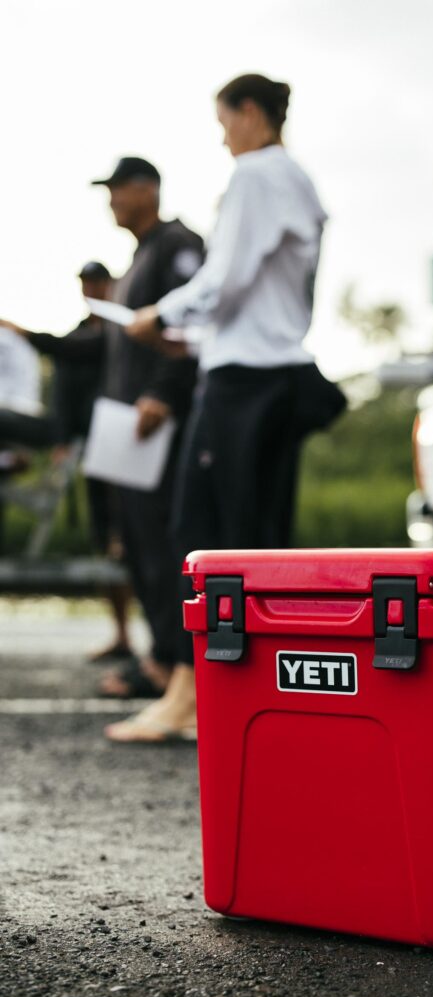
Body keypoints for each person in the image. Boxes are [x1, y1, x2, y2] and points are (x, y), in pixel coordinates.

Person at [105, 73, 333, 742]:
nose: (222, 135)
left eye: (224, 120)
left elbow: (224, 275)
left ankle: (193, 695)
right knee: (252, 541)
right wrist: (195, 333)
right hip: (272, 374)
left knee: (202, 540)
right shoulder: (300, 182)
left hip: (242, 383)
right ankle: (229, 697)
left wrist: (158, 314)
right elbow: (264, 295)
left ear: (250, 112)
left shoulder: (256, 175)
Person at [89, 157, 204, 698]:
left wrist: (163, 391)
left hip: (154, 421)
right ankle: (159, 649)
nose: (111, 200)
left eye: (117, 189)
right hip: (124, 423)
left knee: (161, 542)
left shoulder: (177, 244)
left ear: (146, 189)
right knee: (134, 542)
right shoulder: (139, 256)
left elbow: (189, 326)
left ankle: (170, 658)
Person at [0, 262, 134, 661]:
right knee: (100, 535)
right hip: (83, 443)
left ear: (109, 285)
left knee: (121, 537)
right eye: (86, 284)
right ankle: (121, 632)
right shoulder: (79, 331)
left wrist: (25, 333)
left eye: (97, 283)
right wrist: (58, 439)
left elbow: (71, 351)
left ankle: (137, 633)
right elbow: (59, 387)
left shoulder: (117, 332)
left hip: (116, 442)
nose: (91, 290)